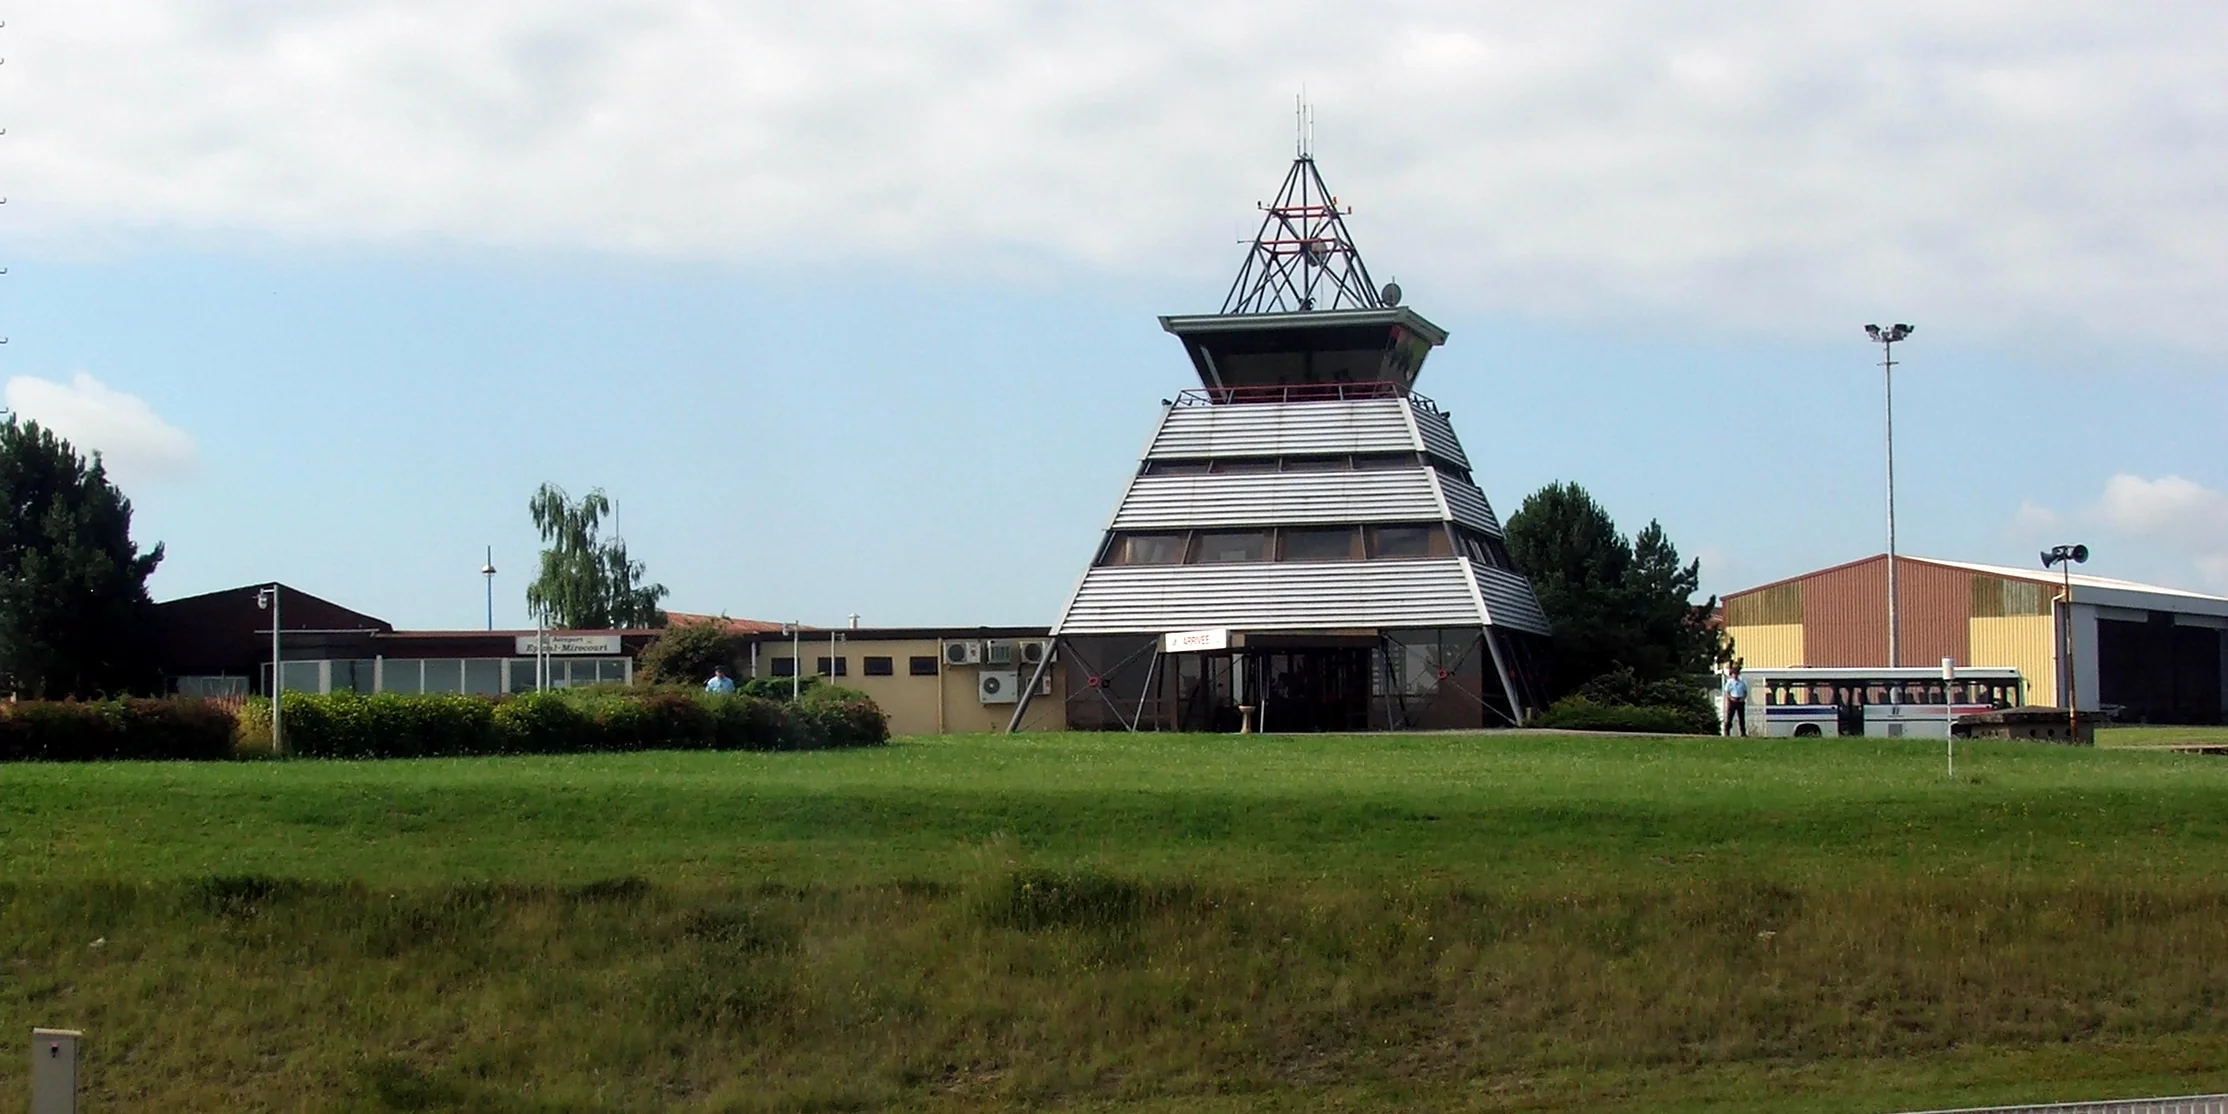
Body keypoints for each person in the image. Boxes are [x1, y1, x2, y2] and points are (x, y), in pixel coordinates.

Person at [1721, 663, 1749, 737]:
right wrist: (1731, 698)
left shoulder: (1742, 682)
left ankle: (1743, 733)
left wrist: (1743, 698)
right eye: (1734, 674)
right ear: (1732, 674)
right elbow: (1727, 692)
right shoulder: (1730, 682)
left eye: (1736, 674)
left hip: (1740, 701)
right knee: (1730, 717)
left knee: (1741, 718)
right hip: (1732, 701)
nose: (1735, 675)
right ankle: (1727, 732)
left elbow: (1745, 692)